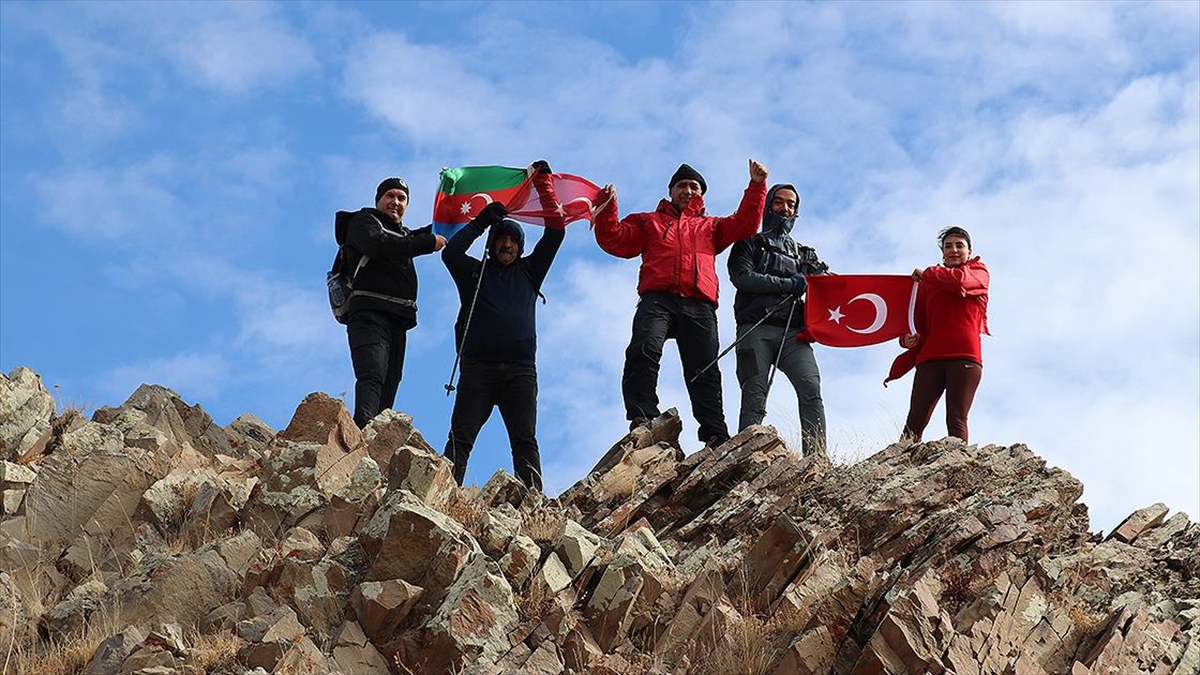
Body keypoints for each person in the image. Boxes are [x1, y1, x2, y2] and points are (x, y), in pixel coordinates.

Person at [593, 160, 769, 447]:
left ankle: (715, 434)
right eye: (682, 186)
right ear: (671, 191)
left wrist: (757, 185)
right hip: (658, 298)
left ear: (701, 194)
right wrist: (607, 207)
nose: (688, 190)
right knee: (643, 349)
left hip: (699, 303)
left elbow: (746, 223)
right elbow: (616, 241)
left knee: (705, 369)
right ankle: (643, 418)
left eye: (694, 187)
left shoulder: (711, 227)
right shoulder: (648, 221)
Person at [442, 161, 564, 491]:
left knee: (525, 441)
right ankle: (443, 497)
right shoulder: (474, 274)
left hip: (521, 371)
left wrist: (544, 186)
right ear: (491, 244)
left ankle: (533, 504)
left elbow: (556, 231)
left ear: (520, 247)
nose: (506, 244)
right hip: (478, 369)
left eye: (512, 240)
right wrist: (481, 222)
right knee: (461, 438)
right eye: (500, 239)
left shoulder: (530, 272)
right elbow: (450, 253)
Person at [727, 183, 829, 456]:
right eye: (779, 202)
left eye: (791, 204)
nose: (785, 208)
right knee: (753, 396)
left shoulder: (804, 253)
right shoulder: (748, 243)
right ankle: (745, 457)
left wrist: (821, 278)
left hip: (793, 333)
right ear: (768, 205)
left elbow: (828, 287)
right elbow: (742, 278)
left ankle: (817, 459)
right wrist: (789, 284)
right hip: (754, 330)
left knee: (811, 390)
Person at [342, 177, 446, 428]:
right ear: (378, 200)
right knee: (372, 374)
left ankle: (377, 437)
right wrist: (427, 244)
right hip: (369, 313)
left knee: (391, 380)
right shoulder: (363, 222)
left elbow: (434, 231)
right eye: (390, 196)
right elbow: (378, 245)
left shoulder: (404, 235)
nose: (395, 202)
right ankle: (362, 430)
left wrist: (478, 219)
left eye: (402, 198)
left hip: (398, 318)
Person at [887, 225, 990, 443]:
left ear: (969, 252)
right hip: (930, 357)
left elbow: (961, 283)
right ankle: (899, 470)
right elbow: (917, 323)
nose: (954, 250)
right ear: (942, 252)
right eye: (948, 246)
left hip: (965, 357)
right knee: (914, 421)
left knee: (956, 419)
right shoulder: (927, 285)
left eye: (959, 246)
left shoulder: (979, 273)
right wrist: (909, 339)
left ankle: (961, 468)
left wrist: (928, 274)